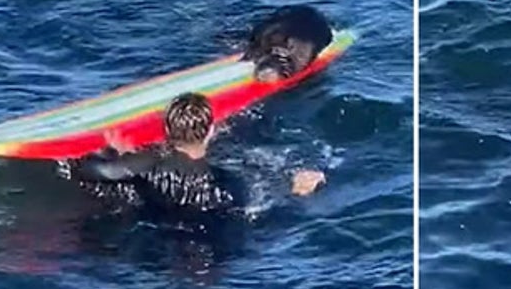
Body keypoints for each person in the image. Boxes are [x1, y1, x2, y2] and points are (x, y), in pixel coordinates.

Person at [63, 92, 326, 216]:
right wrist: (295, 194)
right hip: (212, 233)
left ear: (166, 129)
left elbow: (98, 171)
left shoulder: (150, 163)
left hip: (157, 222)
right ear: (211, 131)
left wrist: (112, 152)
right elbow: (254, 211)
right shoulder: (228, 181)